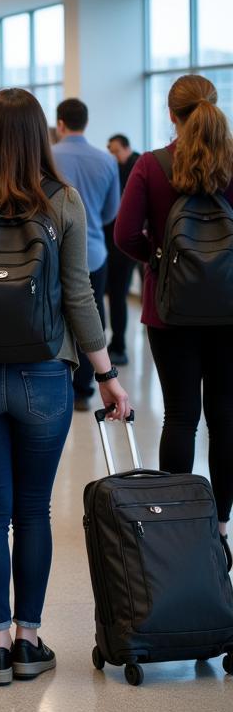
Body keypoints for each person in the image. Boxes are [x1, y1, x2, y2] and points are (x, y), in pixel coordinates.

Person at [0, 88, 130, 686]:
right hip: (46, 375)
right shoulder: (62, 201)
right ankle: (28, 640)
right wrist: (108, 375)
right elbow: (78, 297)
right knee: (34, 510)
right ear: (42, 134)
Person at [114, 74, 233, 571]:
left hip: (171, 312)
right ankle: (222, 528)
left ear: (171, 114)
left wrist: (158, 260)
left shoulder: (151, 165)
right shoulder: (231, 162)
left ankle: (178, 525)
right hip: (229, 310)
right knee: (226, 415)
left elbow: (123, 234)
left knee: (181, 415)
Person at [52, 98, 120, 410]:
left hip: (53, 252)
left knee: (55, 314)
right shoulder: (106, 161)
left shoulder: (47, 157)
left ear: (60, 124)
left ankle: (59, 380)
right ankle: (85, 387)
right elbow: (111, 212)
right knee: (92, 311)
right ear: (86, 123)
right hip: (93, 251)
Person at [104, 133, 141, 366]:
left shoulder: (138, 165)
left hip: (127, 244)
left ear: (126, 148)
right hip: (114, 241)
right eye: (111, 151)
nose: (113, 155)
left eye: (116, 150)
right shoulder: (116, 167)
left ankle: (119, 345)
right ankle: (116, 342)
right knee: (115, 294)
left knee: (118, 295)